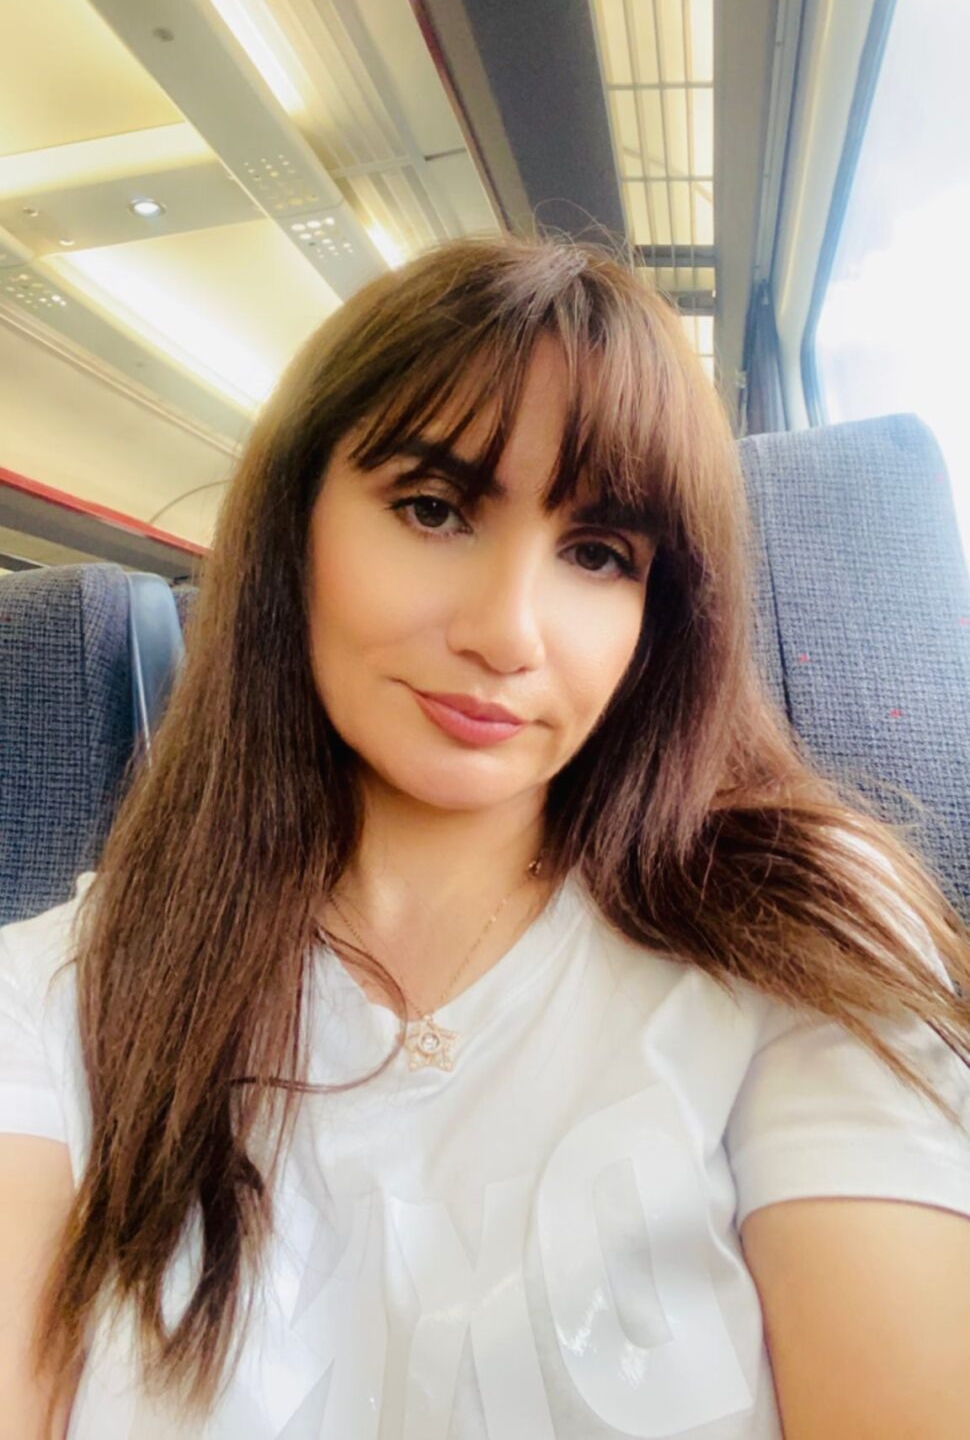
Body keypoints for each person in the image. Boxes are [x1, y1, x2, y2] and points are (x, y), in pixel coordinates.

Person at [1, 233, 968, 1439]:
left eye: (599, 554)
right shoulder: (61, 993)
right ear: (294, 528)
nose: (508, 633)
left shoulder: (797, 930)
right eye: (433, 507)